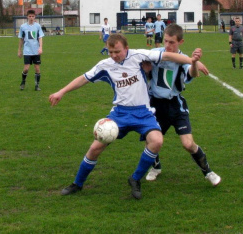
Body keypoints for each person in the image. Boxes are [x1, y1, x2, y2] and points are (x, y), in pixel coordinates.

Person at [49, 34, 199, 200]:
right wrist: (61, 92)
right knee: (95, 148)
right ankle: (77, 183)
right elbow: (83, 79)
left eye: (117, 52)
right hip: (120, 113)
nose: (114, 55)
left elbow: (167, 55)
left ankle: (135, 179)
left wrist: (192, 61)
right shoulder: (105, 65)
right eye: (110, 51)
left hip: (143, 112)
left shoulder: (138, 55)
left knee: (157, 141)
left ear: (126, 48)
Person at [143, 24, 221, 186]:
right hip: (155, 104)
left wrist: (194, 63)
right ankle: (156, 167)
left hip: (175, 105)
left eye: (172, 42)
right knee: (151, 140)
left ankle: (208, 171)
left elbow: (192, 74)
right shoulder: (156, 54)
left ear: (181, 42)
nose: (168, 46)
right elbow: (139, 62)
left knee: (188, 144)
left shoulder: (184, 59)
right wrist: (146, 69)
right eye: (165, 41)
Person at [18, 10, 44, 91]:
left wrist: (40, 48)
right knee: (26, 68)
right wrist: (19, 50)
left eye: (33, 16)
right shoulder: (23, 27)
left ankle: (37, 85)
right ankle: (23, 82)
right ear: (27, 17)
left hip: (36, 51)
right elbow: (21, 39)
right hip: (27, 51)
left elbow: (40, 38)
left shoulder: (38, 26)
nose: (31, 18)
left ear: (35, 17)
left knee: (37, 68)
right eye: (30, 16)